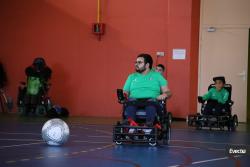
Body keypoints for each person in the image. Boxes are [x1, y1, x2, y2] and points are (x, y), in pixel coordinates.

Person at [123, 53, 171, 126]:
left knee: (151, 104)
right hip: (134, 101)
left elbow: (168, 92)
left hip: (151, 101)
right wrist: (124, 95)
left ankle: (149, 126)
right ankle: (130, 126)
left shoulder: (157, 76)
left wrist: (164, 94)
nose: (136, 64)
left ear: (147, 65)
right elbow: (125, 91)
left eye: (139, 62)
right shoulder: (131, 77)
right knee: (130, 103)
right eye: (136, 62)